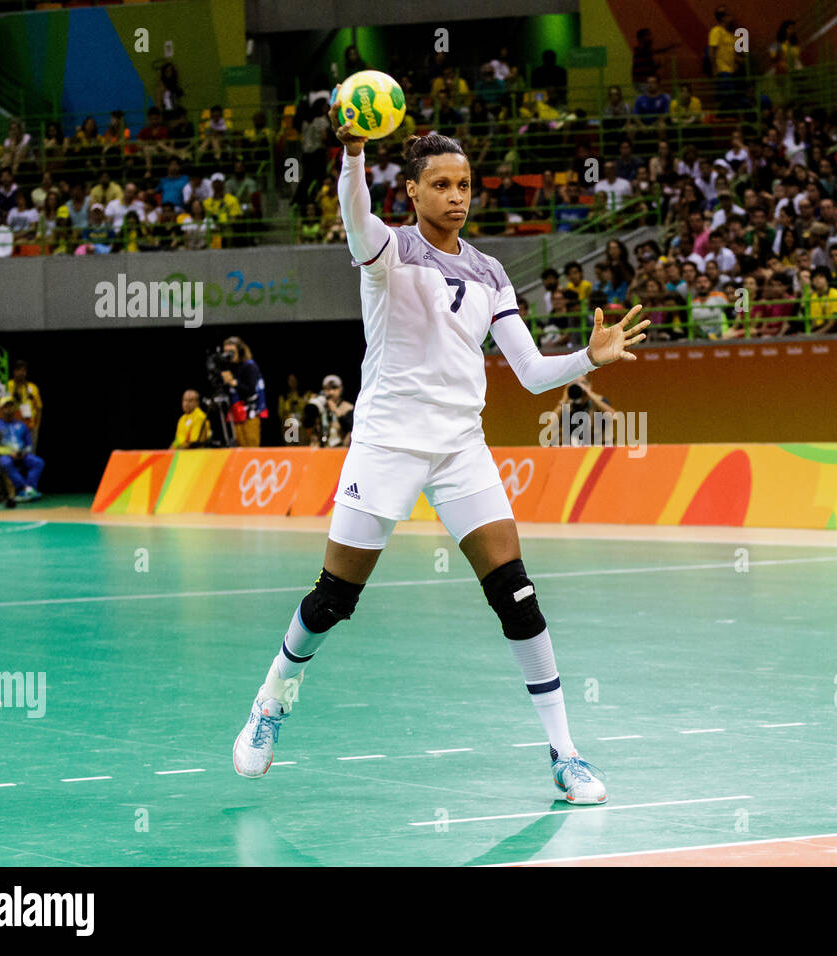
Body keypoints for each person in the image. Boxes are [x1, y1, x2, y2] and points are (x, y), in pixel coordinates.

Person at [231, 105, 651, 807]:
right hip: (388, 444)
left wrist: (587, 358)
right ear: (414, 193)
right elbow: (354, 210)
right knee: (334, 600)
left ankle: (565, 753)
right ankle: (270, 702)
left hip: (461, 448)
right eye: (443, 184)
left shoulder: (490, 273)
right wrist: (354, 152)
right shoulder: (385, 251)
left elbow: (527, 371)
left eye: (465, 184)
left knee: (517, 595)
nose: (457, 195)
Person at [0, 397, 43, 501]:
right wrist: (9, 453)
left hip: (22, 455)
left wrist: (24, 452)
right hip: (5, 457)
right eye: (6, 406)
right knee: (6, 462)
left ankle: (30, 488)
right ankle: (23, 488)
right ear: (1, 409)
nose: (9, 409)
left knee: (38, 462)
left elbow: (29, 445)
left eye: (11, 406)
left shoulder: (22, 425)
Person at [219, 336, 265, 447]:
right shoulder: (229, 368)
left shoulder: (250, 366)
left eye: (231, 352)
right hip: (235, 414)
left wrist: (233, 382)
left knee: (251, 449)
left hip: (250, 415)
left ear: (240, 351)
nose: (228, 355)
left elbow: (250, 391)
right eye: (226, 352)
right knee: (238, 450)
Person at [303, 374, 353, 448]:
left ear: (341, 389)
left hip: (341, 451)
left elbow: (351, 428)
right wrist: (312, 408)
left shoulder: (348, 407)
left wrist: (336, 410)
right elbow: (307, 424)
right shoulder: (320, 405)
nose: (331, 392)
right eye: (327, 389)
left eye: (334, 388)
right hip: (321, 451)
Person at [5, 359, 43, 453]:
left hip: (29, 427)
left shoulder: (32, 387)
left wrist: (36, 427)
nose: (21, 373)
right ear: (14, 372)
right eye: (18, 370)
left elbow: (38, 408)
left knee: (29, 454)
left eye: (23, 370)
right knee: (14, 455)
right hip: (13, 427)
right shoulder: (8, 385)